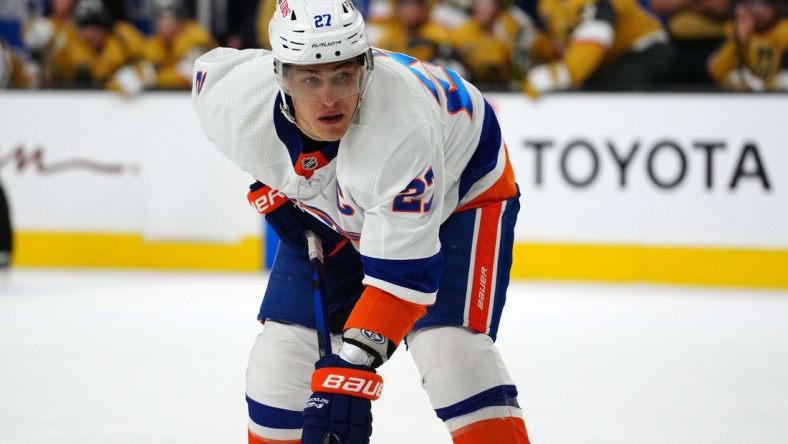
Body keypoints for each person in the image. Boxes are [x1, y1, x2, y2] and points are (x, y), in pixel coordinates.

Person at [191, 0, 530, 442]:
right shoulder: (233, 102)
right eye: (310, 79)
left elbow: (403, 277)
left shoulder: (398, 127)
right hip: (352, 203)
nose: (329, 97)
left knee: (449, 350)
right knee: (279, 366)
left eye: (343, 75)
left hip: (462, 191)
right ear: (280, 76)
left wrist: (350, 371)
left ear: (366, 69)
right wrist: (275, 188)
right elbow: (247, 130)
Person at [523, 0, 675, 96]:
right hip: (606, 61)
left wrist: (560, 74)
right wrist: (530, 42)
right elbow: (567, 45)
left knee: (609, 102)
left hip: (644, 50)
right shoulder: (547, 5)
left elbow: (598, 33)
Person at [708, 0, 788, 91]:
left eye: (763, 4)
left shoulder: (784, 32)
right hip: (745, 97)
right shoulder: (734, 30)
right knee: (736, 77)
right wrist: (739, 40)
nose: (757, 10)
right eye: (751, 4)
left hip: (779, 94)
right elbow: (718, 73)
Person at [143, 0, 216, 90]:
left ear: (181, 20)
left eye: (170, 21)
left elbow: (190, 76)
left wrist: (155, 77)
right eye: (160, 21)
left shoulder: (196, 37)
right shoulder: (154, 42)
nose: (165, 27)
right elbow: (140, 75)